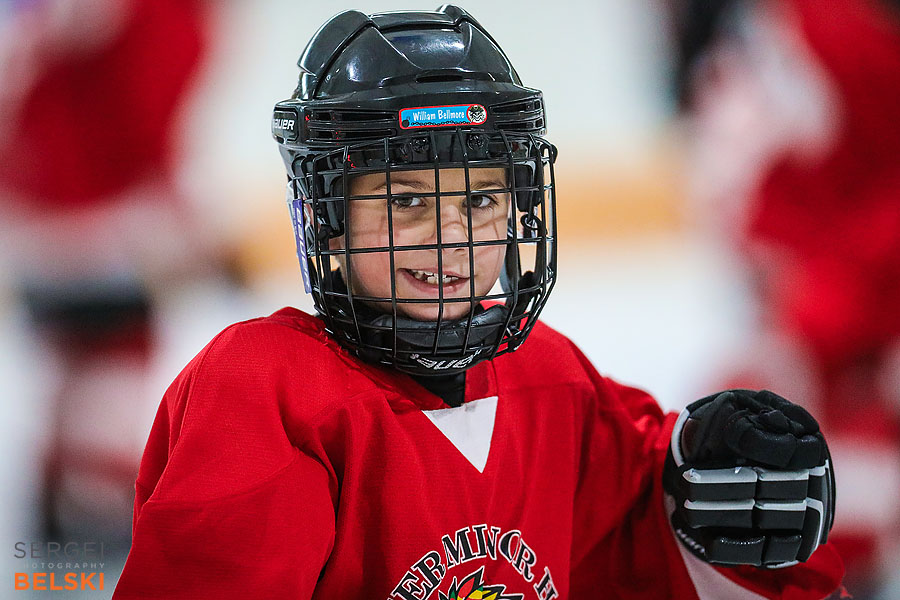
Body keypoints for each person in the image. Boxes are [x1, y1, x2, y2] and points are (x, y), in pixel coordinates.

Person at [114, 6, 845, 598]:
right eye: (404, 203)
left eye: (483, 197)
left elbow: (639, 537)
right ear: (327, 218)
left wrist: (712, 486)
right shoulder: (263, 394)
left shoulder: (551, 379)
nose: (451, 241)